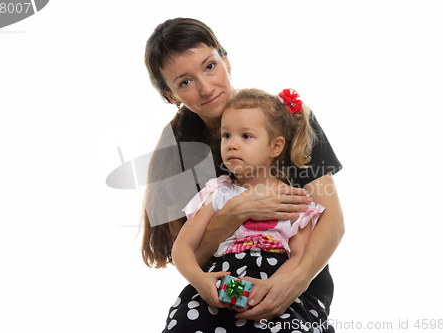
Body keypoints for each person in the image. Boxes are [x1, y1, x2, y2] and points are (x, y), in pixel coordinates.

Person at [141, 17, 344, 328]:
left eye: (210, 66)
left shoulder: (283, 120)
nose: (206, 87)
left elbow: (332, 219)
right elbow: (189, 253)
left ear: (226, 60)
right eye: (185, 82)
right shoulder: (179, 155)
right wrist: (235, 211)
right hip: (226, 292)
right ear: (171, 95)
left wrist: (296, 281)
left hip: (297, 285)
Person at [165, 88, 328, 332]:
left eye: (246, 136)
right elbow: (182, 247)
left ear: (275, 146)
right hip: (223, 287)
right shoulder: (218, 193)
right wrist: (200, 281)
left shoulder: (295, 200)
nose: (232, 145)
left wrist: (272, 288)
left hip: (273, 289)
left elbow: (299, 256)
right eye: (227, 135)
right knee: (190, 322)